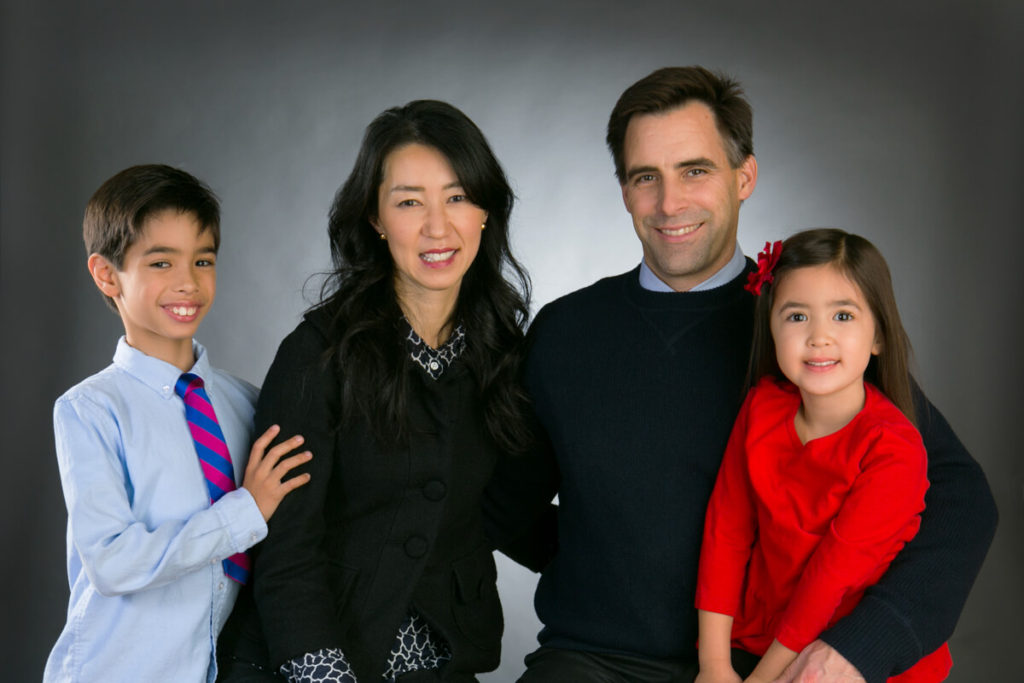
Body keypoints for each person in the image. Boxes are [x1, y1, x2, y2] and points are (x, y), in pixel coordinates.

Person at [515, 67, 997, 682]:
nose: (670, 203)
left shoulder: (805, 335)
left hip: (766, 657)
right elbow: (503, 495)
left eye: (695, 170)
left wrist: (861, 645)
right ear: (623, 190)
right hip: (596, 657)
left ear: (744, 177)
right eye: (645, 177)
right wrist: (598, 559)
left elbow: (960, 500)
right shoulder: (565, 331)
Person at [216, 99, 541, 683]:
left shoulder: (501, 352)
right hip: (306, 661)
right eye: (409, 201)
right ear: (375, 217)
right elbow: (286, 554)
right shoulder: (317, 354)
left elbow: (506, 509)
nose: (437, 226)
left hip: (440, 658)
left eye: (459, 196)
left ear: (486, 211)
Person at [44, 164, 312, 683]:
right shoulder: (90, 410)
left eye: (203, 260)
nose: (188, 282)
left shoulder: (247, 404)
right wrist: (245, 511)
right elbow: (112, 562)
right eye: (161, 262)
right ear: (106, 274)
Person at [695, 229, 954, 683]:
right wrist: (713, 665)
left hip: (850, 657)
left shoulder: (894, 448)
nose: (819, 337)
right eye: (797, 317)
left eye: (842, 316)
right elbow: (726, 532)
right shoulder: (761, 408)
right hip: (763, 638)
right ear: (771, 327)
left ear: (878, 337)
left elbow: (828, 582)